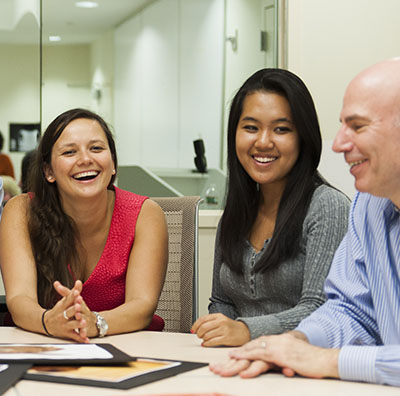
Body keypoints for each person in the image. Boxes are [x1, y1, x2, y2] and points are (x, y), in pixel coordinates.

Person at [209, 58, 400, 387]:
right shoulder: (369, 206)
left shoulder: (328, 204)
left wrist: (325, 358)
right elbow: (350, 312)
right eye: (342, 125)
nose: (339, 143)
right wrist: (290, 342)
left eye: (357, 126)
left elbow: (316, 306)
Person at [191, 69, 350, 347]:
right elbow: (221, 302)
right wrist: (219, 327)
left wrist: (246, 330)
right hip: (238, 363)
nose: (263, 142)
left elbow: (320, 309)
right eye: (251, 127)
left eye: (281, 129)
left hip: (300, 369)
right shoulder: (237, 211)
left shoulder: (326, 206)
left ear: (303, 138)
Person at [0, 108, 168, 342]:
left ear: (112, 164)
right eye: (69, 152)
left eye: (96, 148)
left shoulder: (146, 214)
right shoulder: (21, 212)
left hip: (127, 347)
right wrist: (49, 322)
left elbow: (142, 306)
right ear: (49, 171)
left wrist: (93, 324)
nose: (85, 159)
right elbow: (19, 299)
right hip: (42, 344)